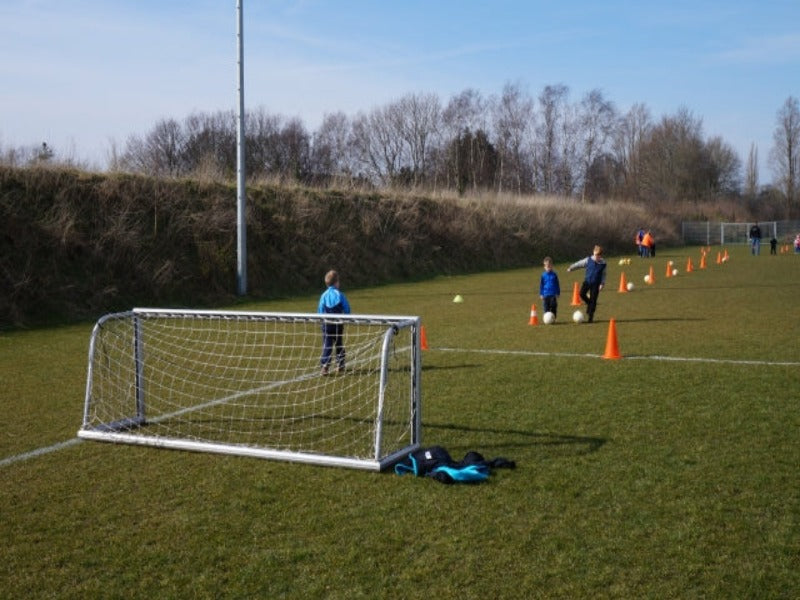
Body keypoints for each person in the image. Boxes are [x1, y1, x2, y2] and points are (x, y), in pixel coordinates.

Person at [317, 269, 351, 375]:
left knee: (327, 344)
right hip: (338, 324)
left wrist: (321, 320)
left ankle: (325, 366)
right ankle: (340, 364)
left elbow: (320, 310)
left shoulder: (324, 295)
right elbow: (347, 308)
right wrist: (347, 316)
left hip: (326, 324)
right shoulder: (340, 295)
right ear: (336, 283)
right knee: (339, 343)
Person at [567, 245, 607, 323]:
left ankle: (590, 316)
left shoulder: (603, 264)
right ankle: (589, 303)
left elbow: (604, 274)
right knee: (581, 294)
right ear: (593, 253)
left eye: (598, 255)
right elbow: (579, 264)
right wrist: (571, 268)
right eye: (595, 255)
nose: (596, 257)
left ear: (601, 256)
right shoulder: (588, 260)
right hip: (587, 282)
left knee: (594, 300)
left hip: (596, 284)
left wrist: (602, 283)